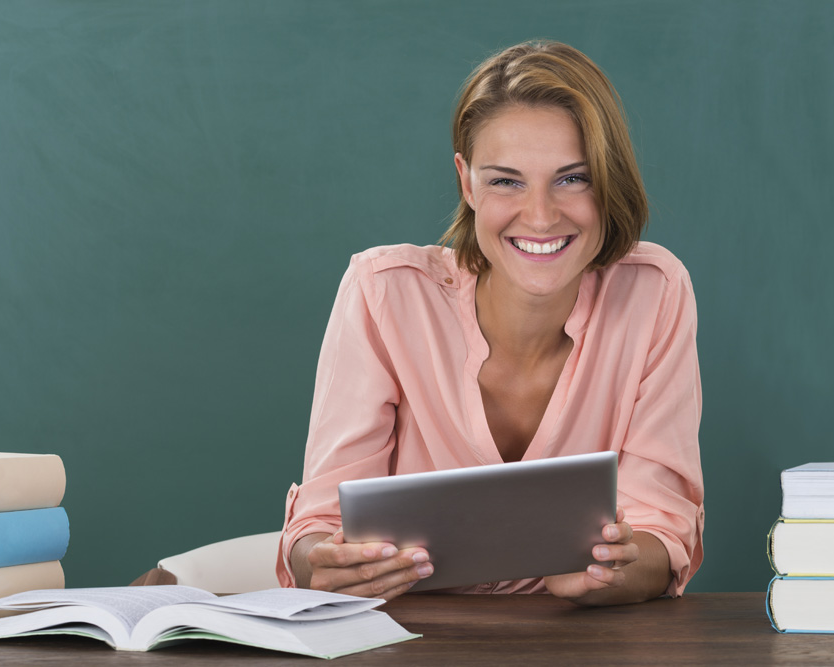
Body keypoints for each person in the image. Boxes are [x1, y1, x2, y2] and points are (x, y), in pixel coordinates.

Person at [275, 40, 704, 606]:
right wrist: (327, 564)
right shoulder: (382, 292)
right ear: (466, 182)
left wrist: (613, 572)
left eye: (572, 178)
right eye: (506, 181)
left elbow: (663, 533)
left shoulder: (656, 290)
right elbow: (317, 532)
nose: (542, 215)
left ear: (608, 179)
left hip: (579, 643)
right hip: (407, 638)